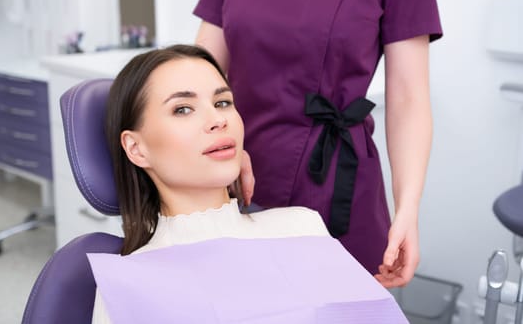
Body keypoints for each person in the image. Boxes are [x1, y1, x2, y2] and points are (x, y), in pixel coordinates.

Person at [91, 44, 408, 323]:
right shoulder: (129, 283)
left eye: (223, 102)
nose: (218, 120)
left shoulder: (302, 226)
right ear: (136, 148)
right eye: (183, 108)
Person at [193, 0, 443, 288]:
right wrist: (224, 142)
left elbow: (409, 99)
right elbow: (199, 74)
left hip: (331, 183)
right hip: (236, 177)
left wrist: (408, 209)